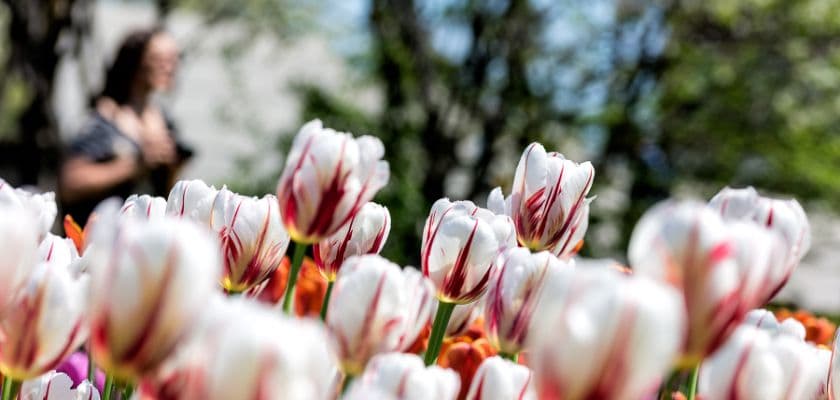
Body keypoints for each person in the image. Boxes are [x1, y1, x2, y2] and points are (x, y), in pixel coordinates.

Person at [60, 27, 193, 225]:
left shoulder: (163, 118)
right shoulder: (103, 120)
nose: (171, 67)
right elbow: (70, 183)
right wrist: (134, 165)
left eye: (175, 59)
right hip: (101, 239)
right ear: (135, 62)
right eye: (160, 59)